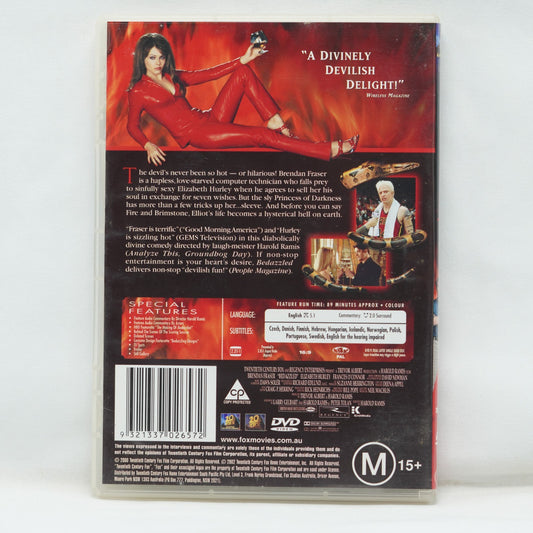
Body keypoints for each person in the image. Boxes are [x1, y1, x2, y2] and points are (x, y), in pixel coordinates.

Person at [127, 33, 359, 165]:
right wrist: (147, 144)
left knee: (242, 73)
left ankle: (275, 122)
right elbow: (132, 125)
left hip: (209, 118)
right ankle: (328, 150)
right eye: (152, 58)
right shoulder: (138, 91)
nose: (158, 63)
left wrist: (243, 59)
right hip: (197, 134)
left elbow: (207, 74)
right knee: (262, 136)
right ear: (143, 59)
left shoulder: (172, 75)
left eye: (161, 57)